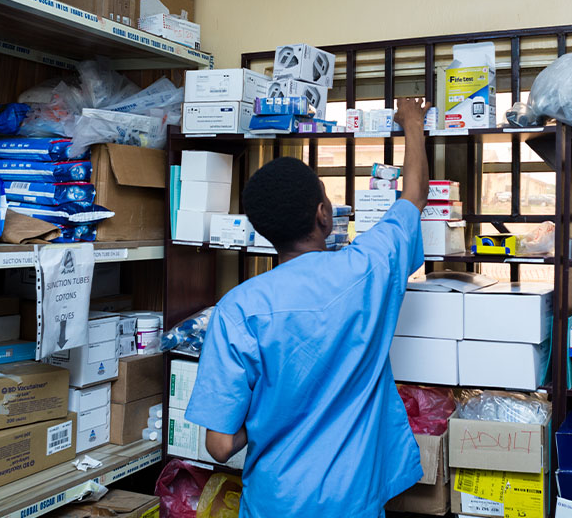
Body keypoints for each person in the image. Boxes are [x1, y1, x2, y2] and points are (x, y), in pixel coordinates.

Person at [185, 97, 433, 518]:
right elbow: (413, 198)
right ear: (323, 215)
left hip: (274, 501)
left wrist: (271, 410)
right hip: (351, 499)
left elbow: (220, 445)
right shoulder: (367, 268)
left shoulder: (238, 309)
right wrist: (412, 122)